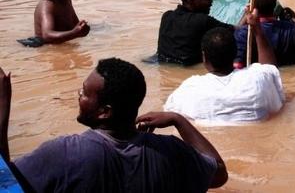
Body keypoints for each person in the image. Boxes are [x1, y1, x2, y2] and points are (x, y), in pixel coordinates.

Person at [0, 58, 228, 192]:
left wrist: (2, 109)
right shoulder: (170, 151)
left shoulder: (64, 154)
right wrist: (178, 119)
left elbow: (5, 183)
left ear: (104, 112)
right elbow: (218, 174)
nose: (79, 95)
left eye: (85, 93)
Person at [164, 11, 285, 124]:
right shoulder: (257, 79)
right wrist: (257, 29)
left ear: (204, 58)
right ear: (235, 52)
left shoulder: (189, 88)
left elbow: (170, 113)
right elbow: (270, 69)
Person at [235, 0, 295, 67]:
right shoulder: (293, 29)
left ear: (252, 7)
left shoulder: (244, 33)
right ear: (275, 5)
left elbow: (237, 66)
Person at [157, 0, 231, 66]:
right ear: (190, 0)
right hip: (189, 67)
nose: (210, 2)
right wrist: (247, 15)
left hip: (161, 63)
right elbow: (236, 30)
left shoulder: (167, 16)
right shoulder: (202, 20)